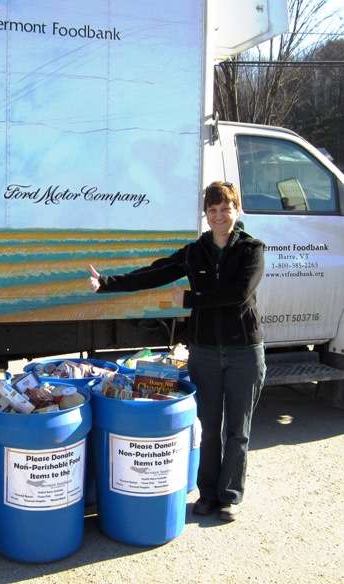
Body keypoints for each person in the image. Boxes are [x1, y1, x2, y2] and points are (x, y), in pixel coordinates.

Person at [88, 181, 266, 522]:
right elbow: (155, 273)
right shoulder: (194, 251)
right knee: (209, 427)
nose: (219, 216)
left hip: (244, 350)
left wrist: (190, 300)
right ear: (205, 214)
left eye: (225, 209)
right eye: (212, 210)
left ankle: (229, 496)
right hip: (205, 352)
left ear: (236, 210)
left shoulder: (252, 249)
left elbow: (239, 293)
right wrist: (108, 283)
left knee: (238, 429)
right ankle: (208, 496)